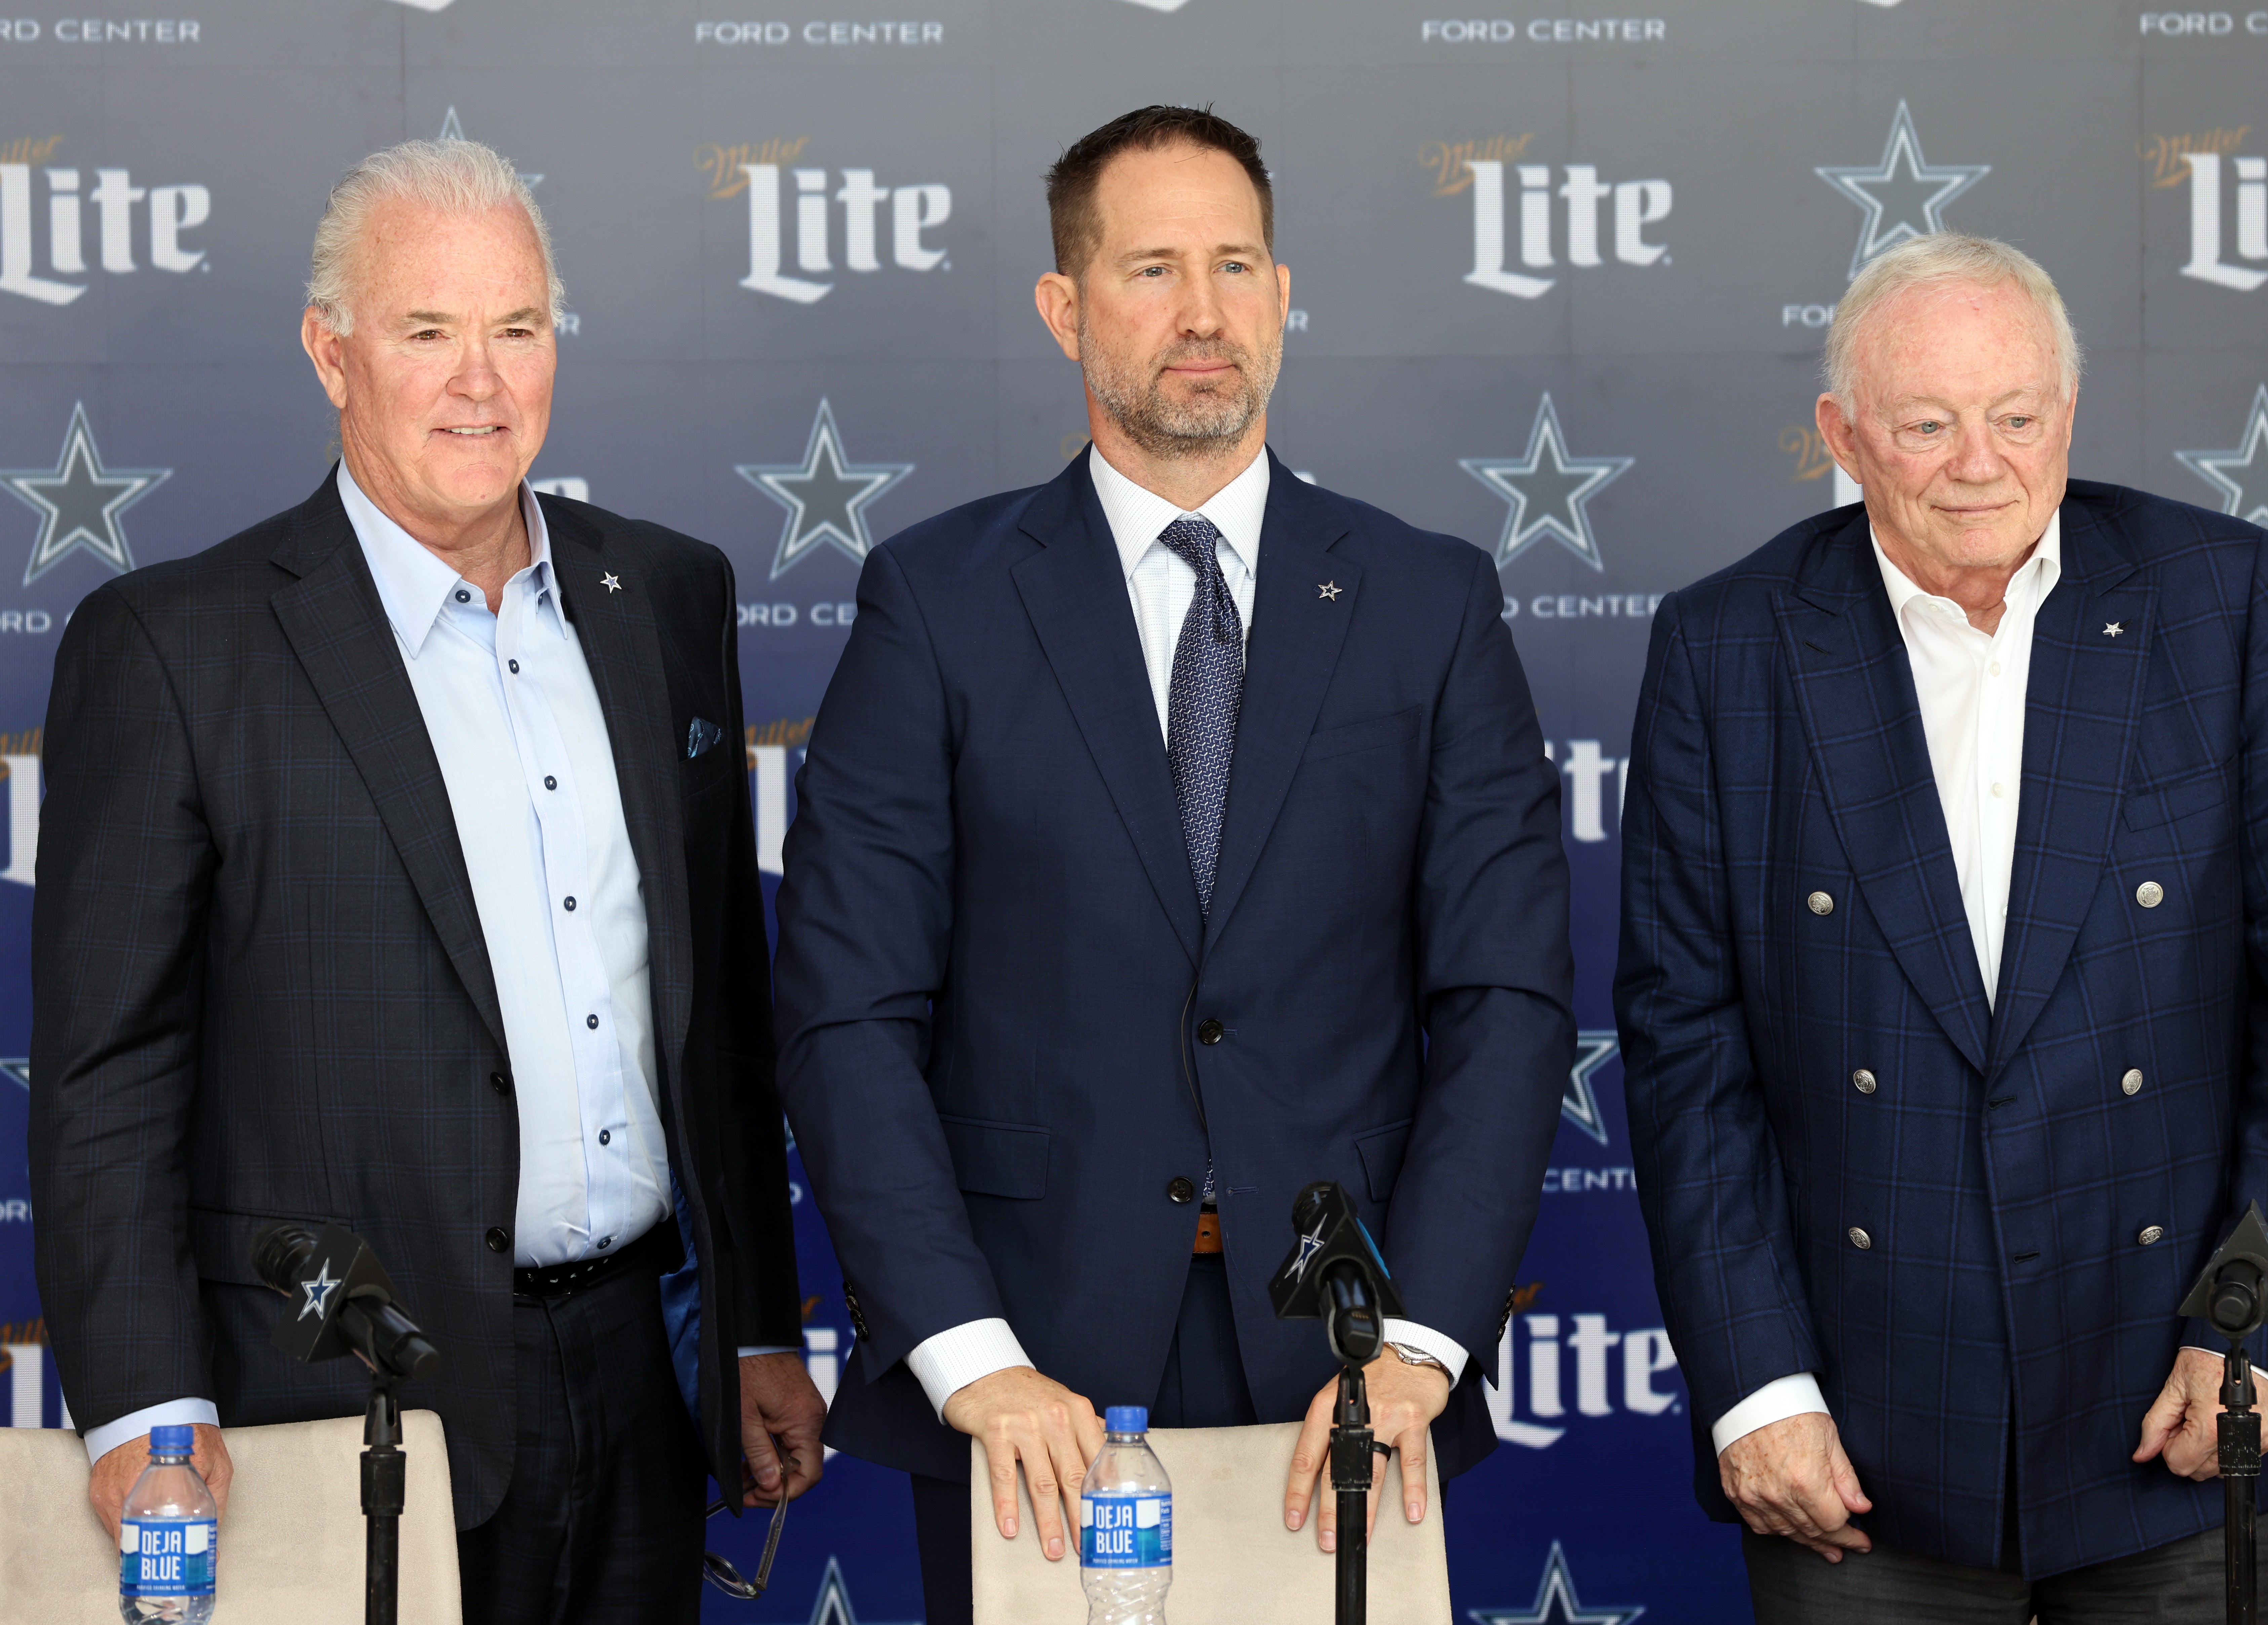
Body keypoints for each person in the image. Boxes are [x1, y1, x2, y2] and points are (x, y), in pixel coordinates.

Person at [773, 104, 1573, 1619]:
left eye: (1236, 265)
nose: (1202, 313)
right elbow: (847, 1008)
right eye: (1151, 270)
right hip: (1036, 1376)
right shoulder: (936, 603)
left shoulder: (1430, 601)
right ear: (1065, 309)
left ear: (1282, 292)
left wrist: (1421, 1345)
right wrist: (969, 1355)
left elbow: (1507, 1002)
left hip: (1348, 1359)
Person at [29, 138, 822, 1625]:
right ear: (332, 354)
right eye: (428, 330)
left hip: (648, 1383)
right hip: (335, 1409)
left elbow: (717, 1009)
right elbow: (107, 1073)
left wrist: (758, 1327)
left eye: (517, 328)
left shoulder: (666, 595)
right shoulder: (175, 647)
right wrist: (143, 1403)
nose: (483, 379)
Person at [1613, 232, 2268, 1623]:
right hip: (1853, 1446)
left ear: (2068, 416)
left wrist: (2253, 1328)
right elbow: (1684, 1046)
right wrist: (1754, 1388)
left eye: (2017, 417)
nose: (1982, 462)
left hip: (2183, 1406)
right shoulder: (1726, 648)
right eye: (1928, 424)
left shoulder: (2226, 599)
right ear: (1844, 435)